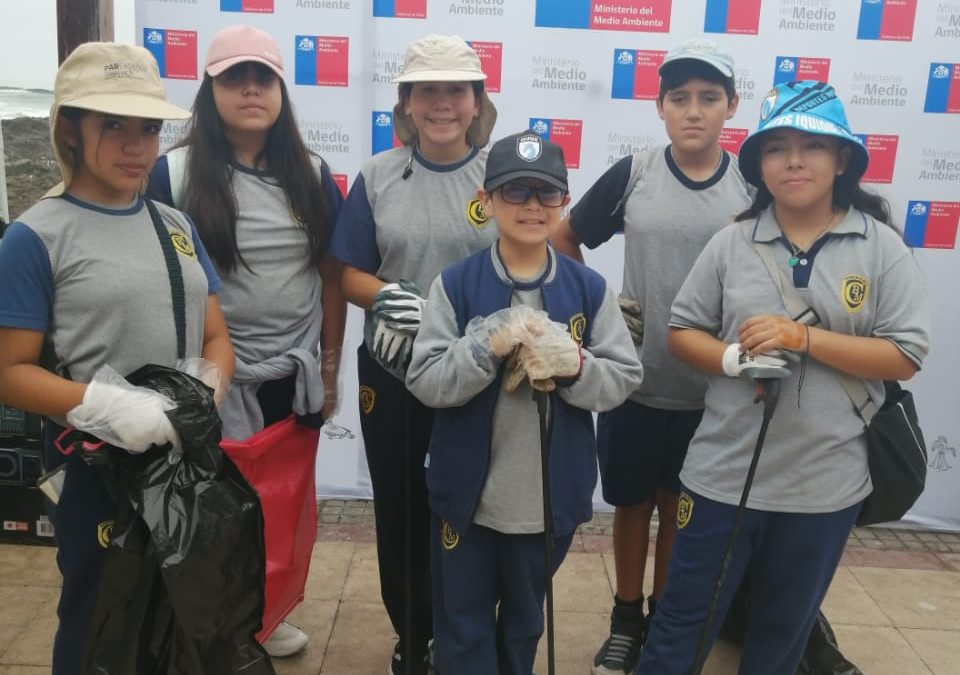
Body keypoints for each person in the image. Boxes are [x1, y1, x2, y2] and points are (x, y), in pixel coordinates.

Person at [636, 80, 931, 674]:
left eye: (813, 146)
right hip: (720, 477)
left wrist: (805, 338)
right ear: (761, 165)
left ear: (842, 159)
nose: (794, 161)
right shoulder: (730, 242)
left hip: (824, 487)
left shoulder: (882, 249)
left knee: (781, 638)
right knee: (677, 632)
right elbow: (681, 331)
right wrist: (729, 359)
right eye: (776, 149)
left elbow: (905, 355)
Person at [0, 42, 234, 675]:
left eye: (149, 128)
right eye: (114, 125)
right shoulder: (35, 238)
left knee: (177, 612)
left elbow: (216, 335)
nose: (136, 145)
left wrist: (204, 394)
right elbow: (11, 372)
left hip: (182, 462)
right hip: (95, 472)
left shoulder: (175, 225)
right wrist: (106, 406)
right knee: (98, 616)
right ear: (70, 129)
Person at [406, 130, 644, 675]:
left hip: (545, 506)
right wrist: (482, 349)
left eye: (546, 193)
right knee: (462, 626)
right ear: (486, 200)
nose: (532, 206)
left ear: (564, 202)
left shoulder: (589, 290)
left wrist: (574, 365)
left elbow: (623, 377)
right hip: (467, 503)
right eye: (515, 192)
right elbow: (425, 379)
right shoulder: (455, 285)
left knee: (524, 623)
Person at [551, 39, 751, 675]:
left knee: (680, 507)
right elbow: (564, 236)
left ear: (731, 108)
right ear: (660, 107)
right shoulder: (635, 173)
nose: (694, 111)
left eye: (709, 98)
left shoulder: (751, 186)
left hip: (714, 391)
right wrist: (602, 308)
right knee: (633, 503)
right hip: (636, 382)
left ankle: (667, 619)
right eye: (680, 98)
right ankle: (626, 619)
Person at [146, 24, 345, 658]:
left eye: (263, 77)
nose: (251, 89)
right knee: (211, 509)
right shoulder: (171, 173)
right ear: (210, 90)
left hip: (291, 374)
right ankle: (213, 625)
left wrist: (331, 364)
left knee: (277, 506)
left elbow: (331, 278)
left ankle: (265, 611)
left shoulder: (312, 174)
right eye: (235, 77)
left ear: (281, 90)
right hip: (210, 376)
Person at [329, 34, 498, 675]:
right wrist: (390, 297)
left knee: (469, 505)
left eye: (456, 89)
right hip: (393, 367)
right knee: (401, 506)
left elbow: (533, 257)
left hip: (476, 369)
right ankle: (413, 635)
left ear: (477, 100)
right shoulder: (378, 175)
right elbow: (349, 275)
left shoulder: (499, 175)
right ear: (405, 102)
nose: (442, 103)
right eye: (427, 89)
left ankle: (463, 630)